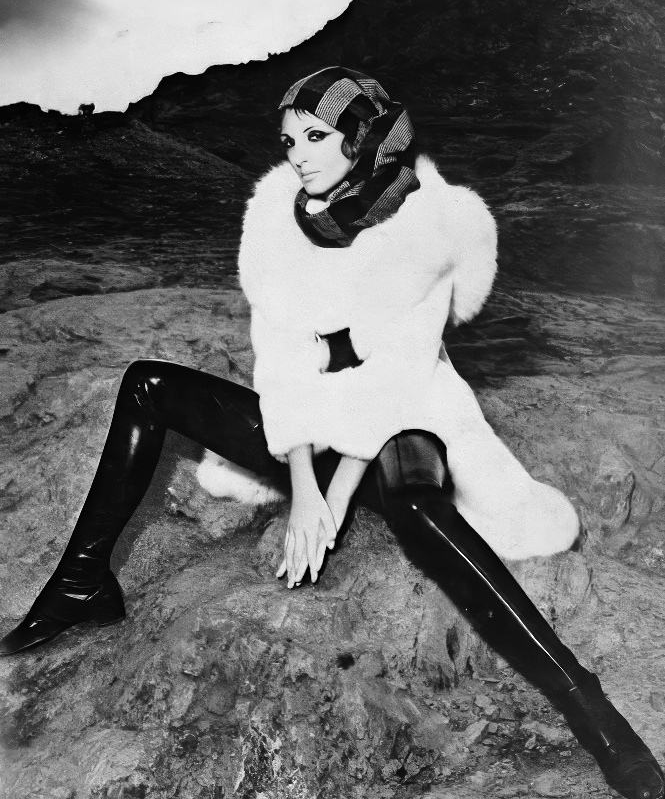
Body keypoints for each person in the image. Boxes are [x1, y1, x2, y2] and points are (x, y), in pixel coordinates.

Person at [1, 67, 662, 799]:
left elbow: (399, 377)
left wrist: (335, 497)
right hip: (317, 422)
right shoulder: (284, 220)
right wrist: (303, 486)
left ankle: (593, 713)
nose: (298, 155)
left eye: (316, 136)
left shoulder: (422, 223)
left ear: (360, 136)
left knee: (415, 506)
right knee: (148, 384)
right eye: (289, 140)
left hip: (410, 420)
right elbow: (284, 362)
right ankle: (82, 584)